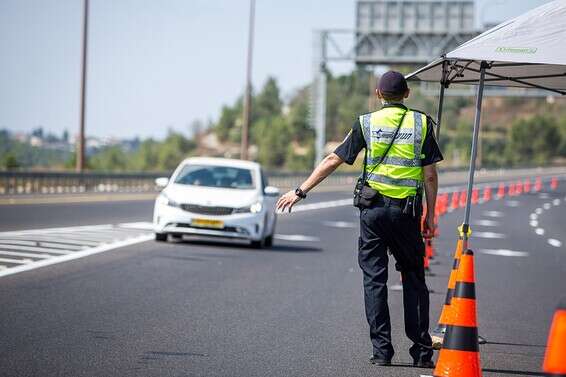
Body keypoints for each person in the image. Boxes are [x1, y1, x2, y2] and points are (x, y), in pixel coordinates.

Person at [276, 71, 443, 367]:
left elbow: (333, 160)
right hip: (407, 214)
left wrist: (300, 191)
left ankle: (382, 352)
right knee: (415, 281)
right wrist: (430, 214)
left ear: (378, 94)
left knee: (374, 280)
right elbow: (429, 174)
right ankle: (421, 352)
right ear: (407, 95)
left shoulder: (366, 123)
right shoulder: (422, 123)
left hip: (373, 213)